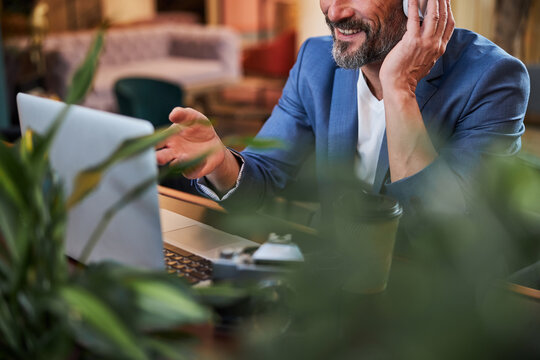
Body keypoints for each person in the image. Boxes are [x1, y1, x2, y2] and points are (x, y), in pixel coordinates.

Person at [156, 0, 529, 218]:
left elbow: (446, 235)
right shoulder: (315, 61)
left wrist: (399, 88)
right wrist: (220, 163)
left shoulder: (492, 78)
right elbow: (265, 179)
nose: (334, 11)